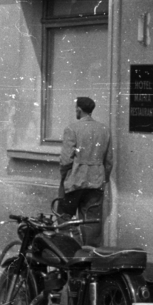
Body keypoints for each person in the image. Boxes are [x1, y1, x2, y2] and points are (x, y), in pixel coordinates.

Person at [58, 96, 113, 248]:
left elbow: (65, 160)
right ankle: (91, 258)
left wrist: (64, 177)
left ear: (79, 110)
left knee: (64, 217)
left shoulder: (72, 129)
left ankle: (72, 250)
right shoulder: (104, 130)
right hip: (95, 181)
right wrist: (103, 179)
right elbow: (109, 161)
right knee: (92, 221)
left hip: (74, 181)